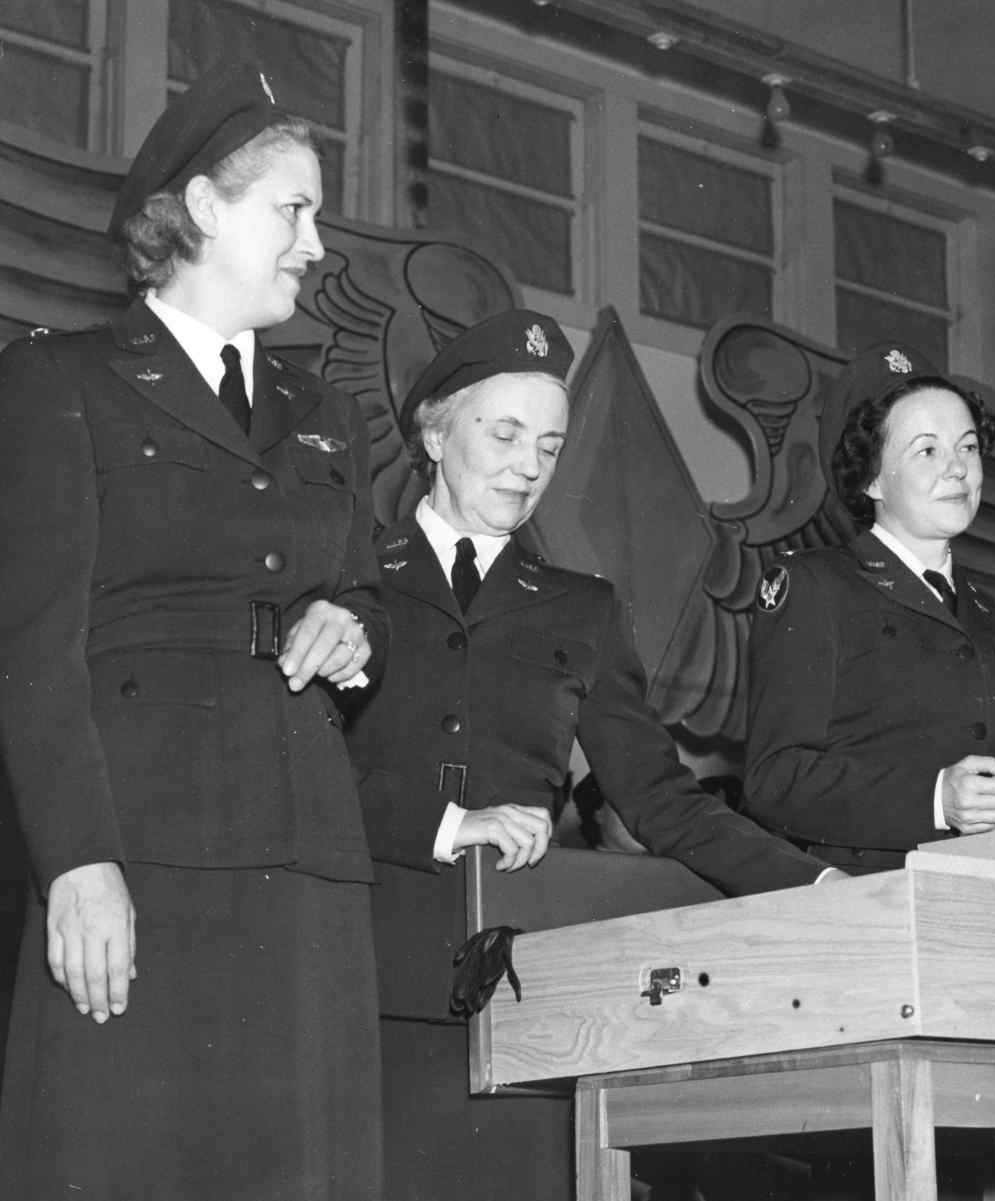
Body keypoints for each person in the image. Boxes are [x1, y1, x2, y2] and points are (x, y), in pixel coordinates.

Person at [0, 62, 385, 1199]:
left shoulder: (328, 413)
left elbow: (367, 593)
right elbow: (32, 650)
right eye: (292, 211)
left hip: (305, 855)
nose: (315, 245)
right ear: (203, 206)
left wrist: (353, 622)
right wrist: (78, 863)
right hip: (141, 852)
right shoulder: (57, 380)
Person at [342, 309, 837, 1201]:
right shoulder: (348, 578)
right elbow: (298, 772)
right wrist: (449, 823)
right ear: (434, 428)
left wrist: (813, 887)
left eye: (551, 444)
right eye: (504, 433)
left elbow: (662, 799)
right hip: (351, 971)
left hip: (524, 1001)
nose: (529, 465)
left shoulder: (584, 609)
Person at [744, 341, 995, 874]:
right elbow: (775, 781)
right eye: (927, 451)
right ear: (871, 478)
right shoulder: (814, 587)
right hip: (871, 904)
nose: (958, 470)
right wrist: (936, 799)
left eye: (967, 447)